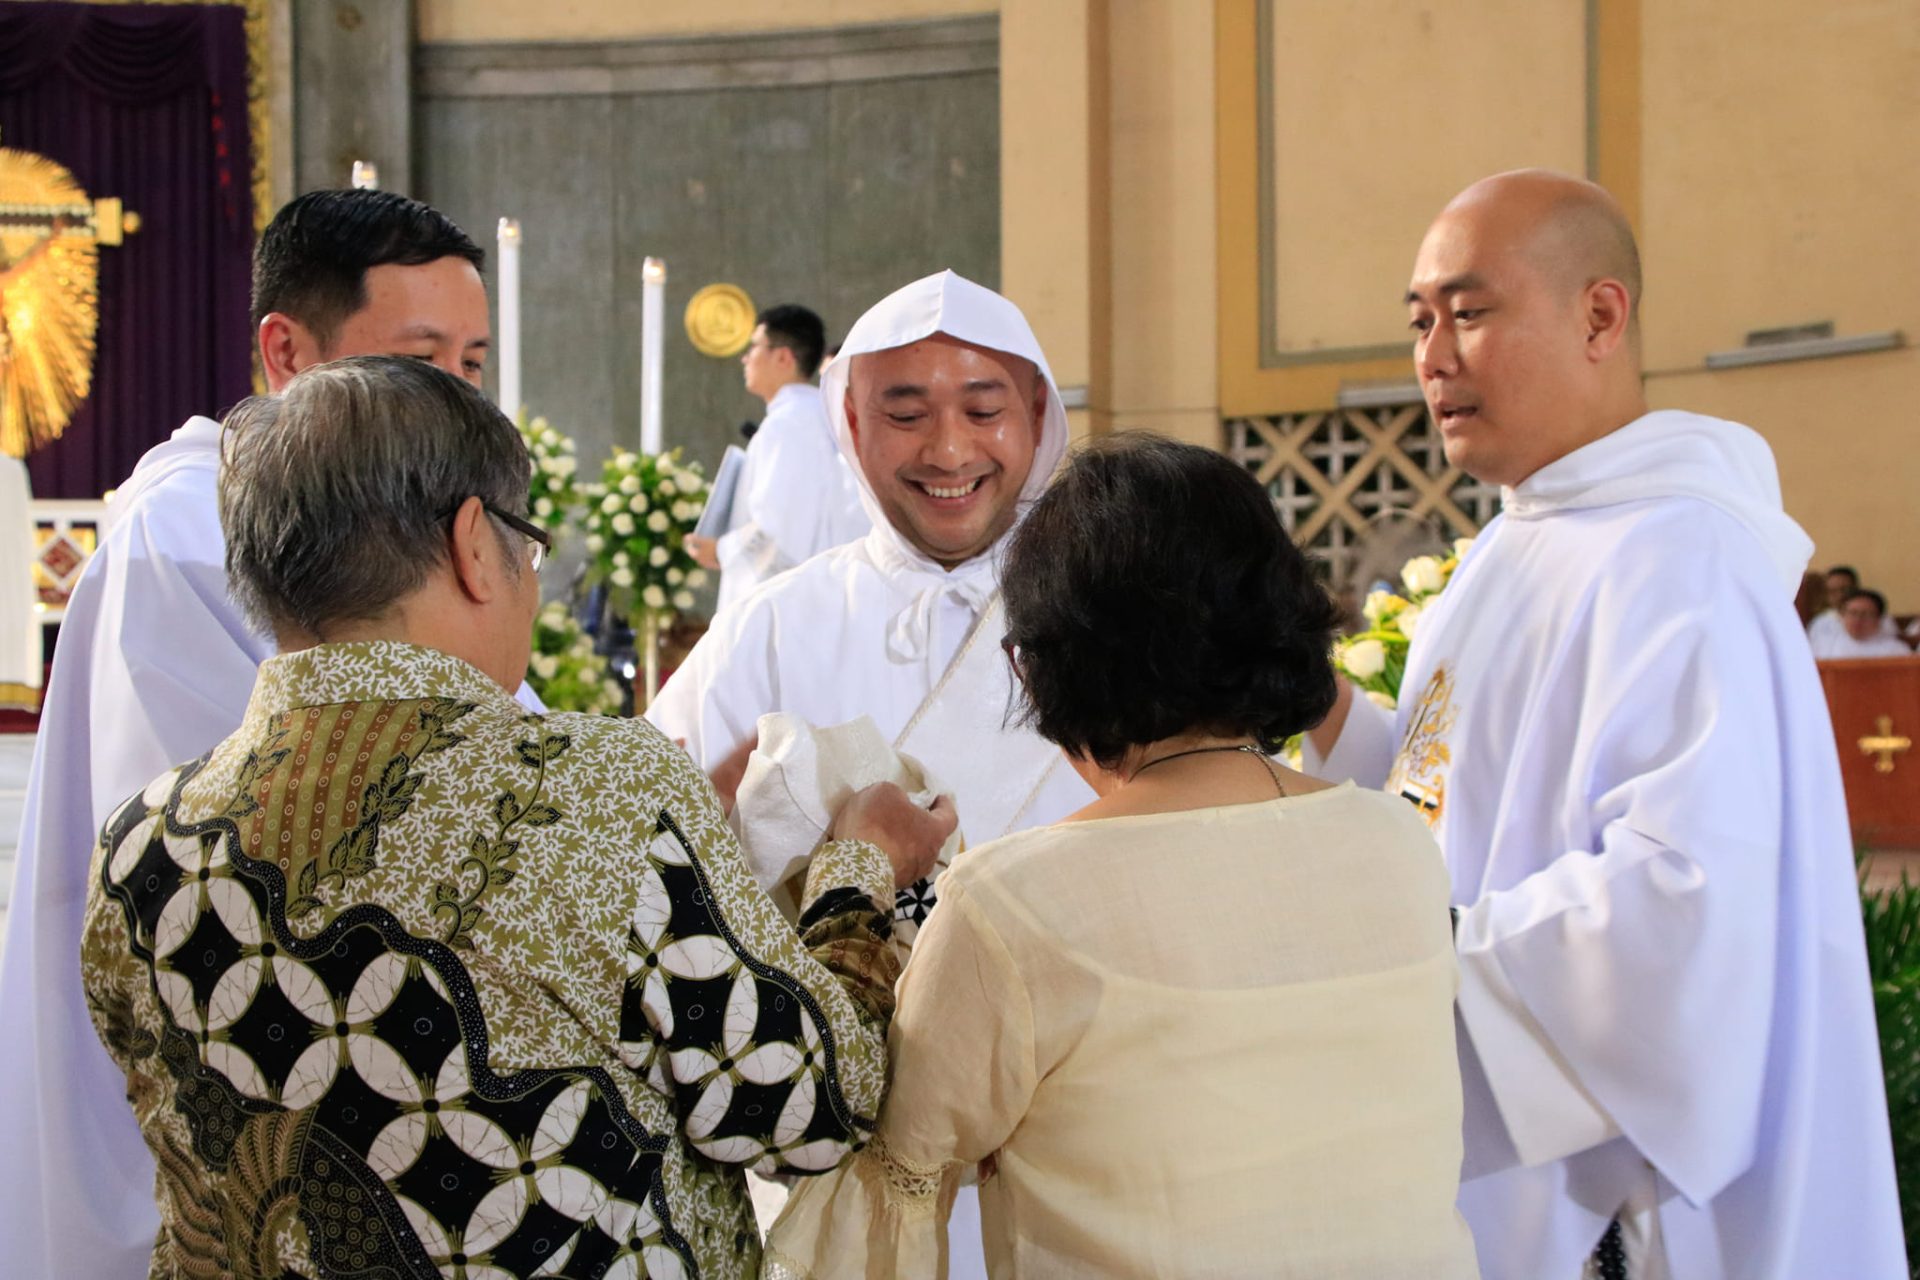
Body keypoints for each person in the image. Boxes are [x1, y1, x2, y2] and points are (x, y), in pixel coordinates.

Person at [81, 355, 953, 1280]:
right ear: (472, 544)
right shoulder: (600, 784)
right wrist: (856, 870)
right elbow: (811, 1104)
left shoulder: (140, 845)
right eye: (526, 549)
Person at [1307, 169, 1904, 1278]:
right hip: (1477, 1149)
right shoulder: (1507, 546)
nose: (1433, 356)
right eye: (1420, 321)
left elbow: (1678, 911)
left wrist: (1391, 962)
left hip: (1615, 1190)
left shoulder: (1683, 557)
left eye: (1471, 312)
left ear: (1600, 314)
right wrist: (1320, 707)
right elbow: (1451, 799)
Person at [762, 434, 1478, 1279]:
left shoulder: (1017, 898)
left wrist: (857, 874)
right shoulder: (1395, 843)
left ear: (1041, 668)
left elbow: (875, 1148)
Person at [0, 188, 539, 1279]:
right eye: (419, 355)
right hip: (235, 1108)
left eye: (472, 362)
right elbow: (249, 840)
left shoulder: (419, 524)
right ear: (287, 351)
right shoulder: (192, 528)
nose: (454, 392)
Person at [649, 270, 1097, 1277]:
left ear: (1037, 414)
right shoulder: (772, 622)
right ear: (849, 420)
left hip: (1069, 1130)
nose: (949, 450)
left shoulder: (1111, 615)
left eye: (984, 409)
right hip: (824, 1136)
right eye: (906, 413)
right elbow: (656, 844)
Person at [686, 304, 869, 613]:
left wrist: (721, 550)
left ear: (783, 357)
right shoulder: (810, 418)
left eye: (754, 347)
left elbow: (781, 534)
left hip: (788, 611)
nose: (745, 358)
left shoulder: (790, 426)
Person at [1810, 588, 1912, 658]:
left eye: (1866, 614)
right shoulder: (1823, 646)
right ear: (1842, 616)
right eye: (1853, 613)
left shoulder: (1897, 650)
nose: (1858, 619)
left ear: (1879, 619)